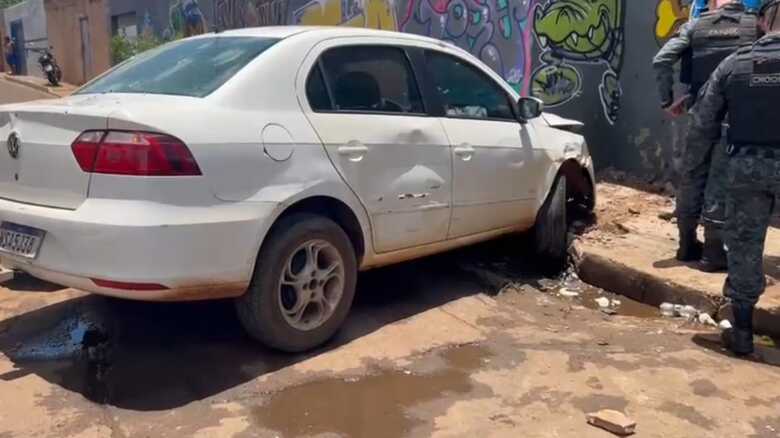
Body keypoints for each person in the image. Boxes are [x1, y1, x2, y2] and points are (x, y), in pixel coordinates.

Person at [687, 0, 780, 356]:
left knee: (743, 245)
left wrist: (694, 170)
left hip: (746, 168)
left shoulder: (734, 64)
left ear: (760, 23)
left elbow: (703, 124)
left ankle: (741, 331)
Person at [652, 0, 760, 272]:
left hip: (700, 112)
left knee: (692, 176)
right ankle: (713, 254)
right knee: (719, 180)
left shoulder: (696, 26)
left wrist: (668, 99)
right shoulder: (754, 26)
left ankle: (686, 244)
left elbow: (661, 60)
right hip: (734, 114)